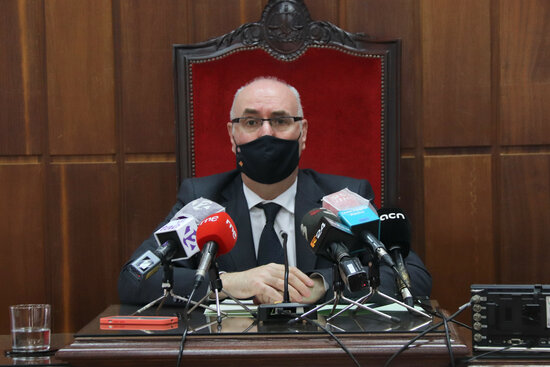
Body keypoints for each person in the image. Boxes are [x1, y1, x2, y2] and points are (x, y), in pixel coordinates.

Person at [118, 76, 432, 306]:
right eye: (251, 122)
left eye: (281, 121)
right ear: (233, 134)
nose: (267, 133)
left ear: (303, 133)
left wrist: (324, 284)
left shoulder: (342, 198)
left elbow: (412, 277)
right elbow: (135, 278)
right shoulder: (202, 200)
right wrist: (227, 283)